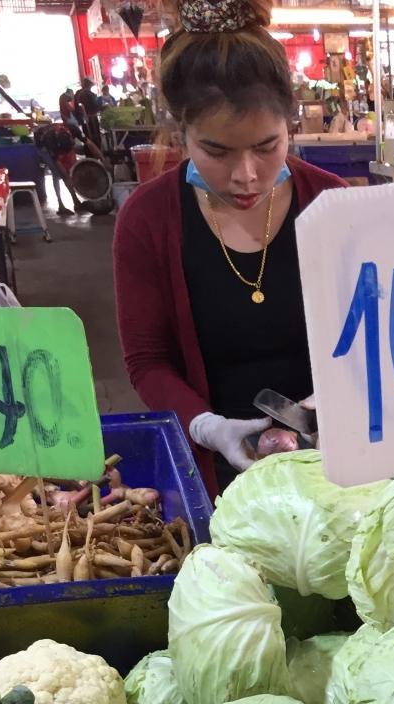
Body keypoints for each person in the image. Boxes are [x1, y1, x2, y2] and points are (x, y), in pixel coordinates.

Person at [113, 0, 345, 496]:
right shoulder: (147, 219)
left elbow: (376, 337)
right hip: (215, 473)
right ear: (182, 133)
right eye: (216, 151)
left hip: (336, 463)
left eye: (267, 146)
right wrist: (206, 426)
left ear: (290, 122)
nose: (246, 176)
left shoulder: (334, 205)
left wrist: (344, 397)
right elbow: (148, 360)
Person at [74, 76, 103, 149]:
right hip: (91, 119)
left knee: (88, 137)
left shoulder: (78, 93)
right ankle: (98, 150)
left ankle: (90, 150)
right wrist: (103, 107)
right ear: (89, 85)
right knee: (96, 137)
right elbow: (95, 107)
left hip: (84, 119)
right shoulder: (89, 94)